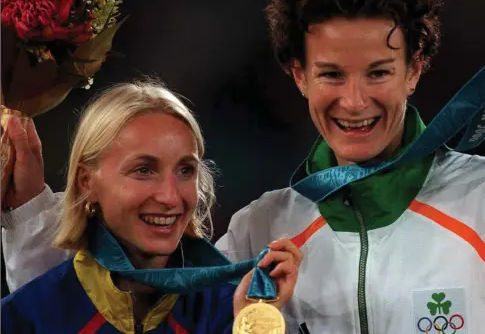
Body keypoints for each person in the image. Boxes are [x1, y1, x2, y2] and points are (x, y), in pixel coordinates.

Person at [2, 0, 485, 334]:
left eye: (379, 73)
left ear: (417, 69)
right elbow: (111, 316)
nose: (354, 102)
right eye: (331, 74)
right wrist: (33, 214)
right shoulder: (261, 231)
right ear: (298, 75)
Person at [1, 80, 302, 333]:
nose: (170, 197)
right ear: (86, 181)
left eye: (185, 170)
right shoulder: (24, 318)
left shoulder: (231, 311)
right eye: (143, 170)